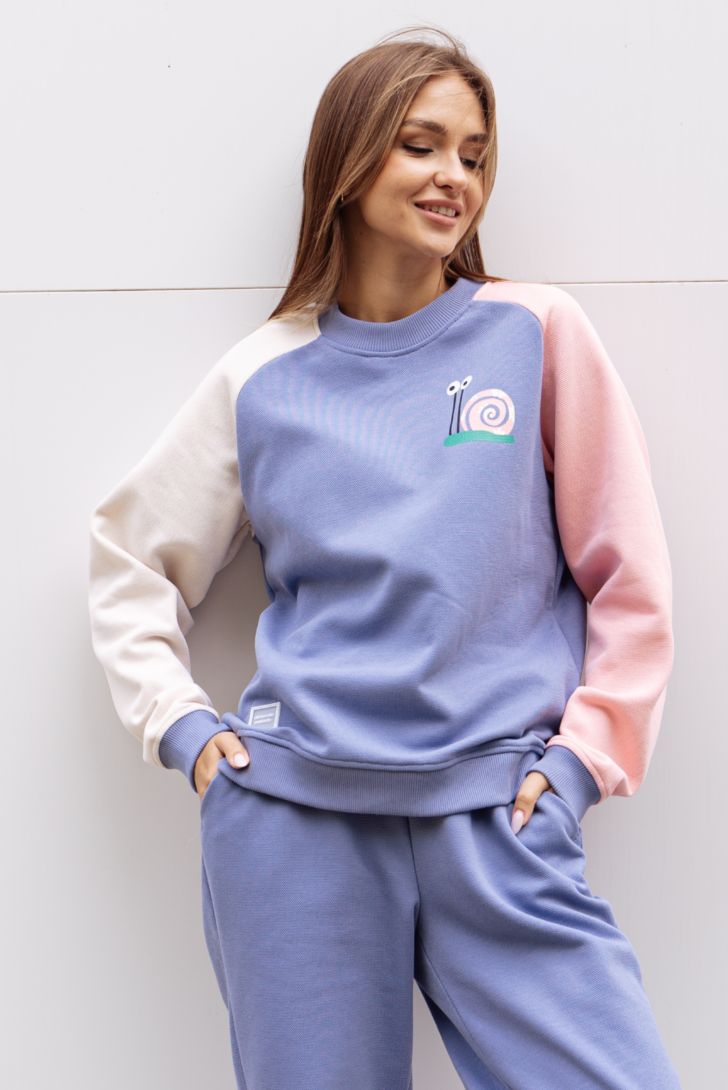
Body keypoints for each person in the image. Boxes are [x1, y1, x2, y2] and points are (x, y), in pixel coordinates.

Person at [87, 24, 683, 1090]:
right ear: (349, 158)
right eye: (421, 145)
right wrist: (184, 732)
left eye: (474, 155)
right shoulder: (263, 375)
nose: (455, 176)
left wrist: (578, 764)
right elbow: (129, 559)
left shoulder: (536, 332)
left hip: (499, 817)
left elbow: (627, 577)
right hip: (295, 822)